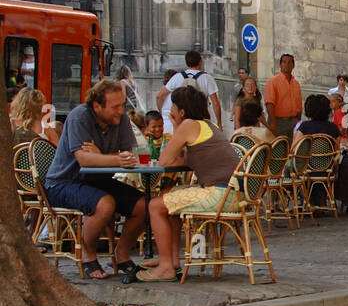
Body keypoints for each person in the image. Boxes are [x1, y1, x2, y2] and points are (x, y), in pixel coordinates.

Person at [129, 85, 243, 283]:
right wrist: (177, 129)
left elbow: (164, 160)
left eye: (172, 107)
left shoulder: (189, 125)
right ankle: (171, 261)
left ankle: (165, 267)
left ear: (181, 111)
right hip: (233, 193)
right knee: (167, 197)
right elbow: (183, 160)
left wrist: (175, 127)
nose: (170, 111)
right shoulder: (206, 125)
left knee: (154, 205)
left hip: (221, 194)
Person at [42, 78, 149, 279]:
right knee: (105, 204)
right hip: (64, 182)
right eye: (115, 106)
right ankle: (88, 255)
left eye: (122, 105)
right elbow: (84, 159)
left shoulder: (121, 119)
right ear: (97, 106)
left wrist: (101, 155)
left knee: (145, 205)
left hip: (98, 181)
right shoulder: (79, 117)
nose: (120, 111)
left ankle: (121, 254)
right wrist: (113, 158)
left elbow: (130, 155)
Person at [156, 50, 221, 135]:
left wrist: (161, 111)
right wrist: (219, 121)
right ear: (200, 62)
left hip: (180, 120)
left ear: (186, 63)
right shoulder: (207, 78)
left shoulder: (177, 77)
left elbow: (159, 96)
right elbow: (215, 103)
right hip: (200, 121)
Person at [263, 53, 303, 139]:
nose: (287, 64)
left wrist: (298, 122)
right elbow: (269, 103)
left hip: (293, 121)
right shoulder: (272, 82)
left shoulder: (296, 84)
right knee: (277, 149)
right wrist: (273, 124)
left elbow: (299, 105)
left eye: (290, 62)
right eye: (284, 62)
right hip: (278, 122)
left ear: (293, 65)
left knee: (291, 149)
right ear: (280, 65)